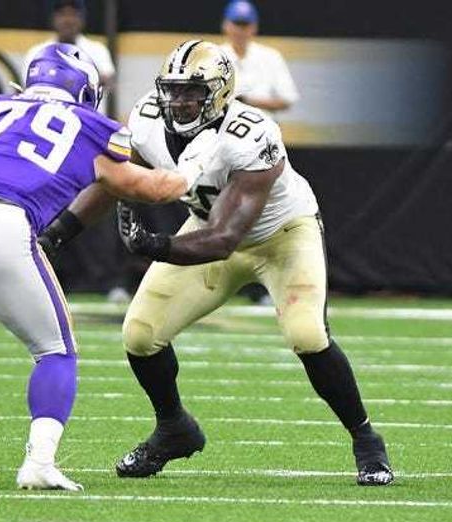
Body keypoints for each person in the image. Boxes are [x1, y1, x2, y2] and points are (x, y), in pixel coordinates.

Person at [40, 40, 394, 486]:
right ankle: (174, 428)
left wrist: (156, 246)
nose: (179, 101)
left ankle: (366, 439)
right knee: (140, 334)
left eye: (193, 91)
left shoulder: (252, 133)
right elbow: (115, 180)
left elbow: (226, 238)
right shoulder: (148, 119)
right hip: (205, 228)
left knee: (306, 333)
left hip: (280, 235)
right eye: (173, 90)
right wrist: (56, 234)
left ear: (221, 92)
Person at [0, 44, 196, 491]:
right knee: (56, 352)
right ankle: (39, 462)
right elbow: (150, 189)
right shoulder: (92, 127)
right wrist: (196, 167)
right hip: (3, 224)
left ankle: (40, 461)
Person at [220, 0, 299, 113]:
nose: (240, 30)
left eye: (245, 25)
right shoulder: (216, 55)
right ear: (225, 25)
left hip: (263, 121)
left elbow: (288, 99)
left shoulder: (271, 57)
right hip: (224, 122)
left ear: (254, 27)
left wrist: (248, 101)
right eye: (236, 24)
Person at [25, 0, 116, 95]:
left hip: (86, 105)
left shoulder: (98, 50)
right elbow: (27, 85)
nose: (68, 20)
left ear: (82, 18)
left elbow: (108, 81)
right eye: (62, 14)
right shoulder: (37, 52)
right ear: (53, 18)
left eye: (73, 14)